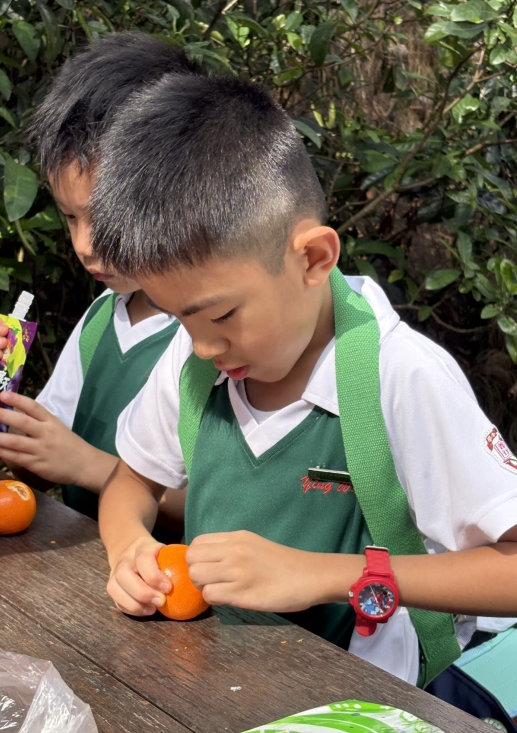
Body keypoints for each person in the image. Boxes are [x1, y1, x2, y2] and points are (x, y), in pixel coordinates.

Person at [89, 73, 517, 685]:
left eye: (222, 316)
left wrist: (323, 574)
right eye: (180, 318)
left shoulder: (399, 376)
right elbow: (131, 482)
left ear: (314, 258)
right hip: (215, 687)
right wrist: (129, 546)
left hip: (371, 705)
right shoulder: (195, 362)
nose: (204, 345)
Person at [0, 33, 203, 524]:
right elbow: (33, 466)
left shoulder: (219, 337)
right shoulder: (100, 321)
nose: (84, 245)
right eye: (70, 217)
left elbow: (224, 510)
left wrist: (90, 467)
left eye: (104, 217)